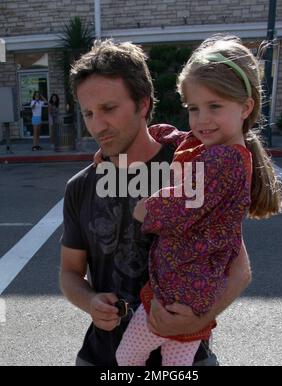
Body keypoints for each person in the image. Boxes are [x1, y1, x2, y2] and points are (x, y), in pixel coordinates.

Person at [60, 39, 253, 367]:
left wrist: (197, 320)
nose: (97, 125)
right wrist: (90, 301)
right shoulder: (80, 186)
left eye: (109, 109)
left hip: (187, 356)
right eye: (88, 113)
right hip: (103, 359)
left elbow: (239, 269)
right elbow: (69, 272)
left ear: (144, 105)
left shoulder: (190, 167)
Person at [113, 35, 282, 366]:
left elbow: (184, 203)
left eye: (214, 106)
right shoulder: (226, 150)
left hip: (177, 290)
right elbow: (187, 140)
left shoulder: (222, 161)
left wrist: (146, 210)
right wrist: (160, 133)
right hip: (194, 294)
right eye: (193, 108)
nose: (202, 119)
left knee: (126, 357)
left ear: (245, 107)